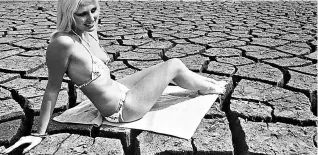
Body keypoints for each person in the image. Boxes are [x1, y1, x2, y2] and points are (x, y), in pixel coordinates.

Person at [1, 0, 226, 154]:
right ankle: (210, 88)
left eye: (94, 10)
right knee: (173, 65)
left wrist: (91, 27)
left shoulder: (86, 31)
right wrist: (39, 133)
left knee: (164, 67)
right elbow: (51, 89)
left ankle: (204, 83)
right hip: (121, 109)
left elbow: (96, 52)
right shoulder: (62, 43)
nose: (91, 18)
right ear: (68, 14)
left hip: (118, 88)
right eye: (82, 14)